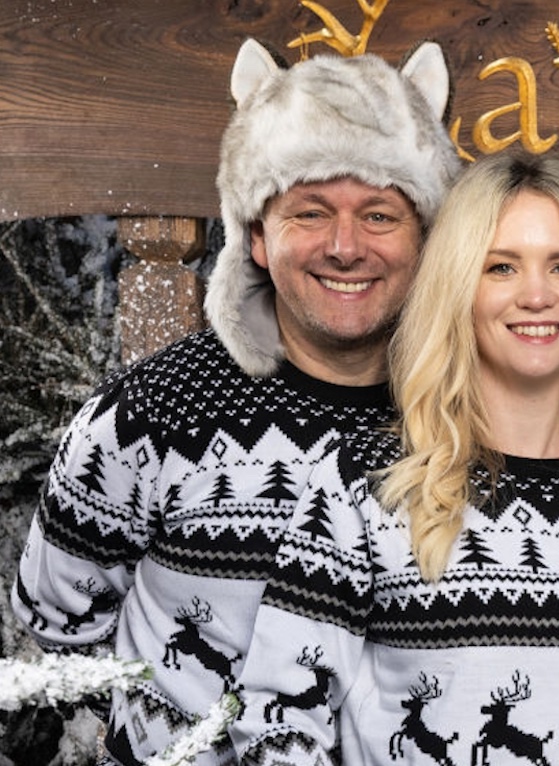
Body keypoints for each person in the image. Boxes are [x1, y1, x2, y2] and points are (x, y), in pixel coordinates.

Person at [11, 37, 461, 766]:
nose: (345, 247)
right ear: (256, 235)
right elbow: (57, 613)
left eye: (380, 215)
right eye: (310, 212)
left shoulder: (469, 418)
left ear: (427, 235)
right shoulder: (152, 414)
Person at [227, 152, 559, 766]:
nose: (537, 295)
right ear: (457, 287)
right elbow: (276, 722)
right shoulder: (367, 483)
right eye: (501, 267)